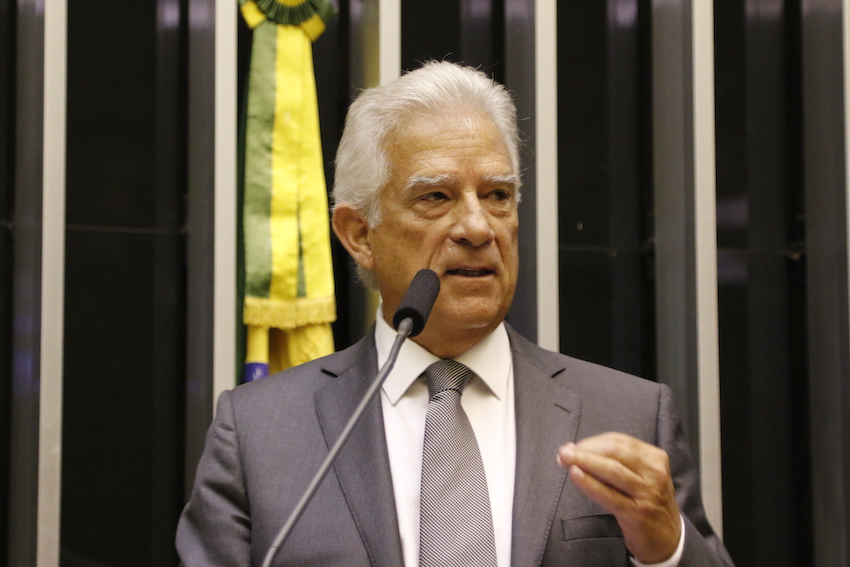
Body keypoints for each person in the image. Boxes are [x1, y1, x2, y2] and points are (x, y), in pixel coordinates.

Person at [176, 61, 734, 567]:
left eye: (497, 195)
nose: (477, 227)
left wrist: (667, 550)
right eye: (436, 197)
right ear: (359, 234)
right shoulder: (260, 434)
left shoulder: (628, 415)